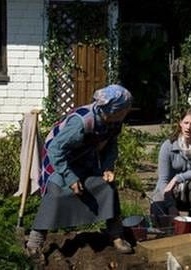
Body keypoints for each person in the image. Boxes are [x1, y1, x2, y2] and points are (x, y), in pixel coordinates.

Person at [26, 85, 133, 255]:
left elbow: (110, 146)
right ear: (114, 109)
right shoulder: (81, 122)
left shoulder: (114, 122)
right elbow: (55, 150)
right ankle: (35, 242)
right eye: (126, 108)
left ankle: (116, 235)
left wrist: (107, 168)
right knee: (55, 193)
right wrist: (70, 177)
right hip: (58, 161)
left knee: (107, 187)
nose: (127, 112)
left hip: (85, 160)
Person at [150, 107, 191, 219]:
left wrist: (178, 178)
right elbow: (163, 181)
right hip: (170, 191)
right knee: (157, 209)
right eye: (186, 123)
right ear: (180, 123)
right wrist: (170, 206)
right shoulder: (168, 145)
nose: (188, 127)